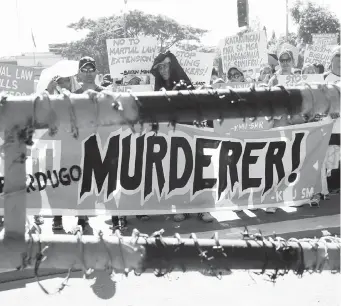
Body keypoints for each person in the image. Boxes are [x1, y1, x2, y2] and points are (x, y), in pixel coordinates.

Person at [150, 51, 214, 223]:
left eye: (166, 66)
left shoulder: (186, 85)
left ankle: (203, 208)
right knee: (176, 171)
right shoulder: (157, 90)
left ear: (173, 65)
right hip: (171, 137)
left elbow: (197, 111)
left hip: (191, 135)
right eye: (159, 67)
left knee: (197, 170)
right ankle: (181, 207)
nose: (163, 70)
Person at [73, 57, 106, 231]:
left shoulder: (105, 92)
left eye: (91, 69)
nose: (88, 73)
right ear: (79, 73)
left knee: (108, 181)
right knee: (82, 181)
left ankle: (116, 218)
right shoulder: (74, 95)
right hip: (82, 144)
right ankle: (82, 217)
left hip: (103, 143)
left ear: (96, 72)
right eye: (84, 70)